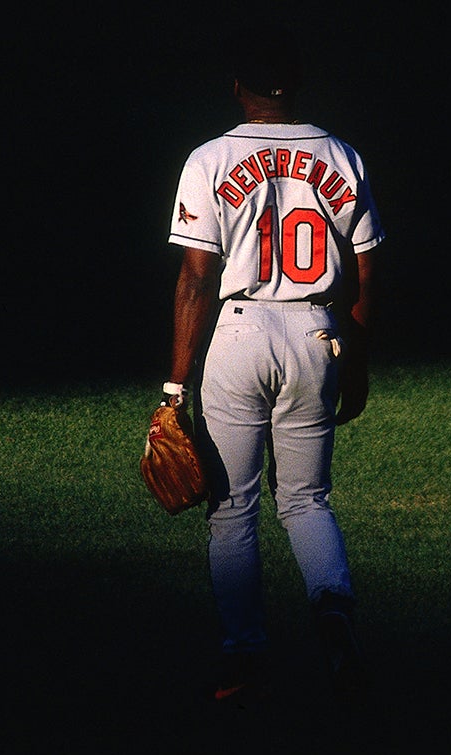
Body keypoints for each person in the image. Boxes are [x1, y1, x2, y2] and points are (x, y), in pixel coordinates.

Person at [162, 33, 385, 706]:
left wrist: (175, 387)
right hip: (318, 332)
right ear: (299, 85)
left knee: (233, 509)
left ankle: (243, 658)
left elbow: (197, 279)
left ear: (238, 86)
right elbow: (368, 267)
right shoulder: (341, 155)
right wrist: (358, 356)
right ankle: (333, 610)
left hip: (239, 333)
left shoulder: (210, 158)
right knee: (307, 500)